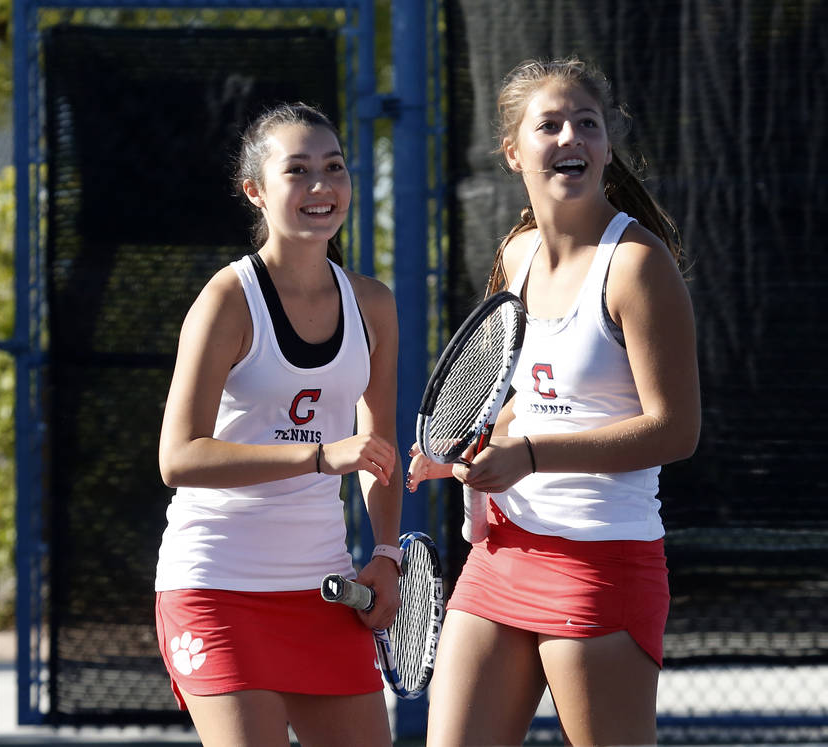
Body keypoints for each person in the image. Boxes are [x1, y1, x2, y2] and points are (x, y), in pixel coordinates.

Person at [407, 57, 701, 746]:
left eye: (587, 124)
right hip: (500, 557)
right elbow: (516, 404)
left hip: (600, 564)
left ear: (604, 148)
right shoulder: (516, 256)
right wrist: (459, 454)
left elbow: (675, 428)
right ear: (513, 152)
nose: (571, 137)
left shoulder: (638, 265)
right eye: (550, 125)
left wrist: (531, 455)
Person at [154, 102, 403, 747]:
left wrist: (383, 551)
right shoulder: (227, 299)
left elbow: (378, 451)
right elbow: (178, 458)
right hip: (215, 585)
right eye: (298, 171)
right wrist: (319, 456)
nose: (322, 187)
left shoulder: (372, 303)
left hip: (321, 588)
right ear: (257, 192)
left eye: (334, 167)